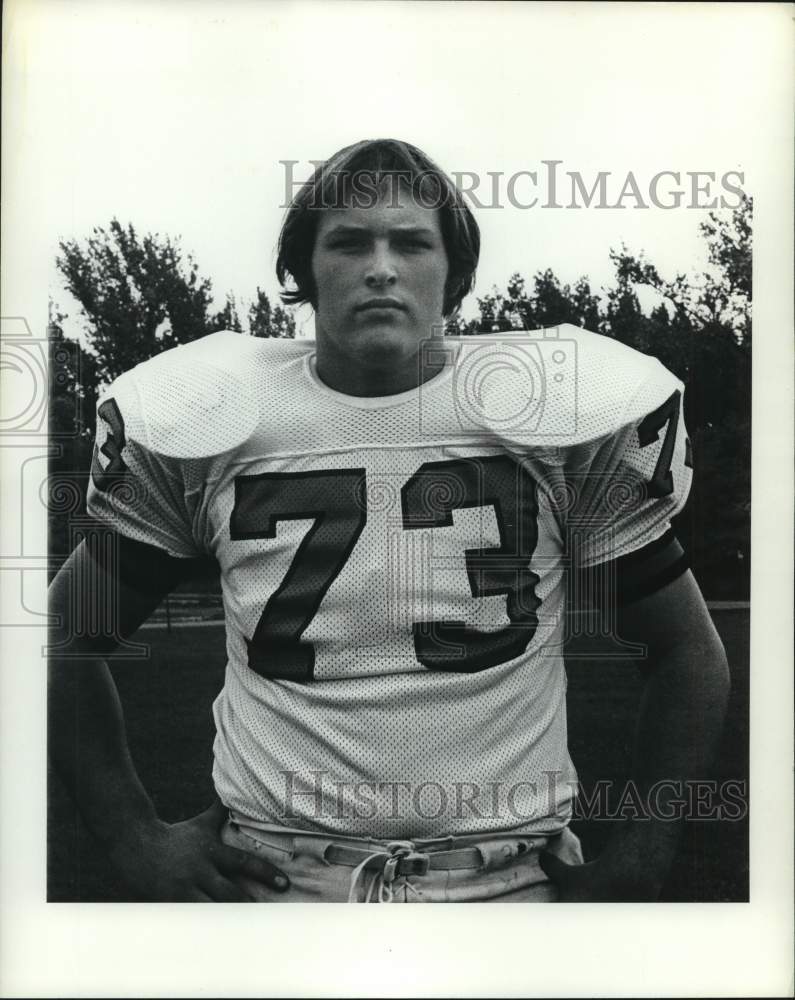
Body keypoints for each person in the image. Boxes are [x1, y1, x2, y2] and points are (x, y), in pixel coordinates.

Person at [48, 138, 730, 903]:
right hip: (276, 880)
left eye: (410, 242)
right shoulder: (218, 421)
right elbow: (63, 639)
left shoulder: (553, 415)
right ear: (303, 271)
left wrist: (643, 854)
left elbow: (685, 655)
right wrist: (133, 840)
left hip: (504, 883)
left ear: (455, 273)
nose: (380, 267)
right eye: (347, 242)